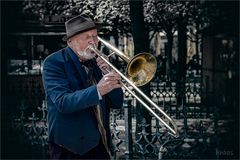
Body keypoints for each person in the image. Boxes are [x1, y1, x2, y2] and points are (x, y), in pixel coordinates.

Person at [42, 14, 124, 159]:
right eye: (86, 37)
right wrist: (98, 90)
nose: (93, 42)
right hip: (70, 148)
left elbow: (117, 102)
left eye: (95, 36)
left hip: (100, 144)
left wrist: (110, 74)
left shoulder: (99, 63)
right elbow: (62, 102)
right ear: (70, 42)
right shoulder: (54, 63)